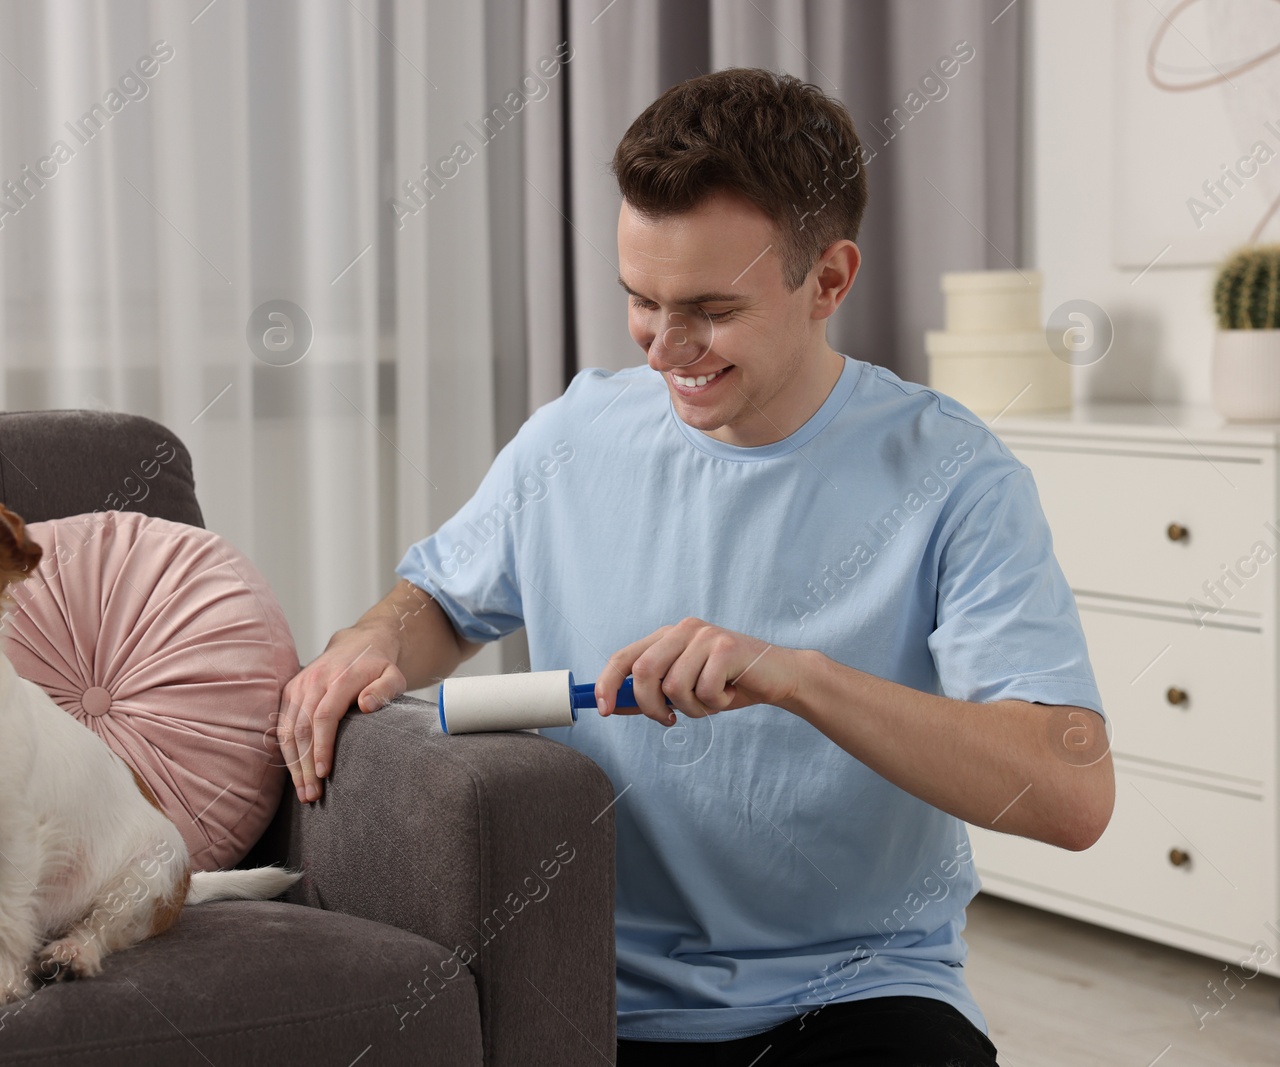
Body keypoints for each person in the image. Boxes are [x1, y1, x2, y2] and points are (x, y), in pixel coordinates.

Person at [276, 67, 1112, 1066]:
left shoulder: (954, 476)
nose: (665, 348)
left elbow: (1071, 793)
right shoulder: (573, 436)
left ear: (829, 281)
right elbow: (439, 601)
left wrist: (795, 676)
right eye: (640, 299)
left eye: (710, 309)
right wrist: (376, 634)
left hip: (854, 989)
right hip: (579, 983)